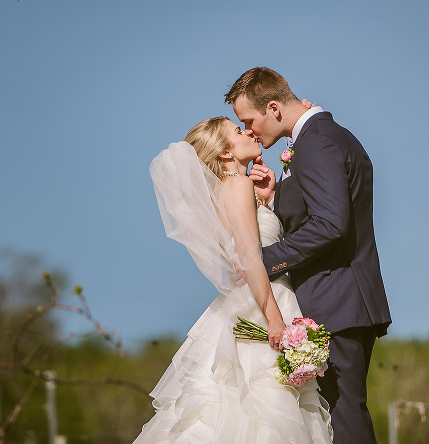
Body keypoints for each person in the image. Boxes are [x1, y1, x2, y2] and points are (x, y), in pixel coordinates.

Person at [135, 117, 332, 443]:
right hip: (266, 305)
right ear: (225, 153)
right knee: (266, 406)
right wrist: (275, 320)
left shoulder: (227, 192)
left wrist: (268, 201)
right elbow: (251, 257)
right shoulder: (237, 186)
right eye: (239, 132)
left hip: (244, 303)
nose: (249, 133)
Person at [226, 67, 392, 444]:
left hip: (336, 300)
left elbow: (331, 224)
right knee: (337, 416)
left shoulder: (317, 143)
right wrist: (277, 197)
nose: (249, 131)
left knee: (345, 416)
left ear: (273, 107)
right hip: (343, 299)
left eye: (249, 121)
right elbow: (323, 211)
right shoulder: (326, 137)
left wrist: (264, 261)